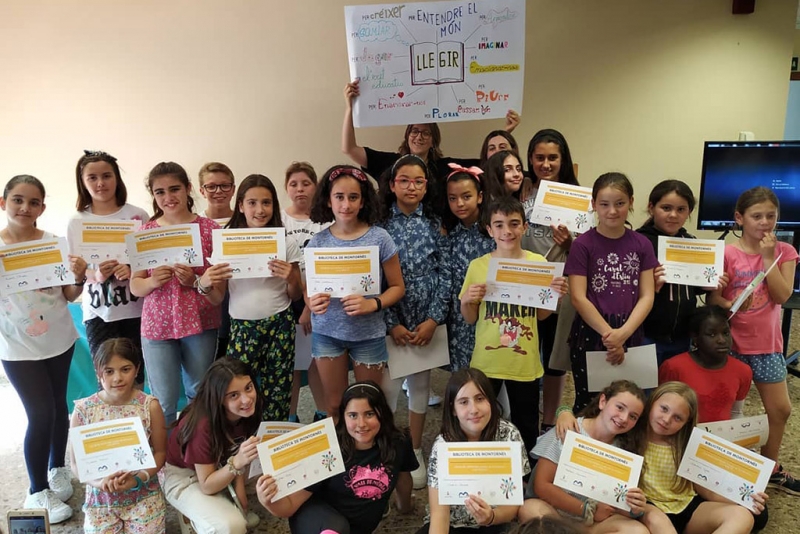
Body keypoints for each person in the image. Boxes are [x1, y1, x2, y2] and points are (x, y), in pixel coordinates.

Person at [0, 175, 87, 522]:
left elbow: (68, 295)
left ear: (42, 208)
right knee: (39, 414)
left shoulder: (55, 243)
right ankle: (36, 491)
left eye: (34, 202)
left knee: (57, 407)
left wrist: (79, 276)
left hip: (59, 339)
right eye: (18, 200)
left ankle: (57, 468)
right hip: (18, 346)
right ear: (3, 202)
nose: (25, 207)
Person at [709, 186, 800, 494]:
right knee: (727, 412)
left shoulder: (784, 252)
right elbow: (714, 300)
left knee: (781, 410)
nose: (764, 222)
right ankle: (724, 467)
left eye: (771, 216)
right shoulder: (726, 253)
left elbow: (782, 295)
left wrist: (767, 256)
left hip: (768, 346)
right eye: (756, 216)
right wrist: (725, 302)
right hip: (730, 346)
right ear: (740, 218)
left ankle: (771, 467)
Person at [461, 196, 567, 454]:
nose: (506, 231)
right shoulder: (478, 266)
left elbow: (541, 317)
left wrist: (555, 296)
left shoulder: (539, 264)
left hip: (524, 362)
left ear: (525, 227)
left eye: (513, 224)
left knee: (526, 423)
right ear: (489, 229)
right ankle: (483, 465)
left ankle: (526, 474)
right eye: (498, 225)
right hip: (487, 361)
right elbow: (470, 318)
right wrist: (467, 300)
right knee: (481, 421)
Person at [130, 162, 228, 424]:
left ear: (188, 189)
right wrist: (152, 283)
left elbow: (218, 296)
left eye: (175, 189)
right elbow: (135, 285)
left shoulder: (210, 230)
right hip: (157, 325)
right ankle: (166, 456)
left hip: (201, 322)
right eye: (160, 192)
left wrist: (197, 281)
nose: (168, 197)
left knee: (198, 392)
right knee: (163, 399)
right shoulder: (146, 233)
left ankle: (197, 451)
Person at [306, 165, 405, 420]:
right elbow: (311, 291)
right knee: (335, 405)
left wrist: (373, 304)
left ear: (363, 201)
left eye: (353, 197)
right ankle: (341, 457)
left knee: (370, 404)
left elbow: (397, 287)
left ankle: (370, 458)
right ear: (328, 200)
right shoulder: (317, 242)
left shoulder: (380, 238)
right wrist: (311, 302)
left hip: (368, 333)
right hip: (327, 332)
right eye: (339, 197)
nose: (346, 204)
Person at [257, 381, 417, 534]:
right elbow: (290, 506)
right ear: (343, 417)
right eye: (353, 415)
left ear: (383, 413)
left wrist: (405, 506)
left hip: (357, 528)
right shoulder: (329, 449)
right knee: (336, 528)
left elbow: (402, 477)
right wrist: (267, 500)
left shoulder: (399, 442)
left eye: (369, 414)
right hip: (319, 521)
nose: (361, 423)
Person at [378, 154, 450, 489]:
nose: (411, 186)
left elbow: (445, 274)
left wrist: (434, 319)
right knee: (389, 390)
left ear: (426, 186)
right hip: (392, 321)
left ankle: (416, 450)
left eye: (418, 181)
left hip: (426, 322)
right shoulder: (379, 227)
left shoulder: (435, 223)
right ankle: (389, 453)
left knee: (420, 386)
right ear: (392, 185)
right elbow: (374, 280)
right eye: (404, 180)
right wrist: (392, 322)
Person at [341, 79, 519, 209]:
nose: (419, 137)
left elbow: (489, 165)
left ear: (434, 140)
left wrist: (504, 135)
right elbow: (349, 149)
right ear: (407, 135)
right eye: (415, 131)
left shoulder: (445, 167)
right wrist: (349, 108)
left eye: (426, 133)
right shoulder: (389, 163)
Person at [419, 368, 554, 534]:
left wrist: (491, 517)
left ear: (491, 400)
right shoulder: (443, 446)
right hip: (453, 524)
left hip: (497, 521)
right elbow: (440, 516)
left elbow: (512, 502)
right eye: (463, 402)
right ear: (453, 409)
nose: (474, 409)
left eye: (480, 398)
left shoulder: (509, 434)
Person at [565, 172, 657, 412]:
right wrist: (610, 336)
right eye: (604, 205)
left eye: (620, 204)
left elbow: (647, 295)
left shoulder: (641, 244)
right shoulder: (583, 244)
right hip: (591, 332)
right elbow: (578, 296)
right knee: (590, 404)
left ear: (631, 202)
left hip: (631, 331)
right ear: (593, 205)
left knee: (628, 404)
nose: (612, 211)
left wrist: (623, 334)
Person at [621, 381, 766, 534]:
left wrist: (744, 499)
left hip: (688, 506)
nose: (666, 419)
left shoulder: (689, 444)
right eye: (664, 409)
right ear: (652, 402)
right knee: (658, 522)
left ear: (686, 423)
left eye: (677, 418)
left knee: (742, 516)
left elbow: (705, 489)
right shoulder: (630, 436)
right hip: (649, 508)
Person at [220, 174, 302, 421]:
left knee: (278, 390)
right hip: (242, 326)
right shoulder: (227, 240)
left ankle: (272, 442)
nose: (259, 210)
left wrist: (291, 278)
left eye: (266, 203)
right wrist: (207, 280)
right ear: (241, 205)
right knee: (238, 392)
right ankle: (243, 446)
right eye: (252, 203)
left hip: (280, 324)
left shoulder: (286, 240)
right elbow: (218, 295)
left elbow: (296, 293)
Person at [69, 338, 167, 533]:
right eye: (109, 371)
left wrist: (137, 479)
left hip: (143, 496)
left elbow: (161, 453)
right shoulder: (83, 411)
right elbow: (75, 463)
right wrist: (99, 483)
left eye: (125, 369)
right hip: (100, 501)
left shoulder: (149, 406)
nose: (117, 378)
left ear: (137, 369)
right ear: (98, 372)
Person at [528, 381, 652, 533]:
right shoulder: (568, 429)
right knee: (531, 509)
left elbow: (618, 505)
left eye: (633, 416)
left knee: (637, 531)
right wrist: (586, 509)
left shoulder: (626, 451)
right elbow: (541, 485)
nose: (624, 418)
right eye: (619, 408)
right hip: (554, 514)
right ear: (603, 402)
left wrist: (634, 508)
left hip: (594, 523)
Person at [67, 150, 149, 378]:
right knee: (107, 379)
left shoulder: (138, 215)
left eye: (106, 176)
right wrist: (98, 275)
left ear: (117, 178)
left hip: (137, 310)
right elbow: (77, 269)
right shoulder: (77, 221)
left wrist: (132, 270)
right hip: (99, 312)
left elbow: (151, 259)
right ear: (83, 182)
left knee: (136, 376)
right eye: (92, 178)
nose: (100, 183)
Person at [162, 358, 262, 534]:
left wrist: (242, 501)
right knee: (231, 526)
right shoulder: (202, 426)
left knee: (278, 464)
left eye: (248, 387)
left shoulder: (248, 410)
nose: (247, 400)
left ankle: (224, 506)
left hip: (222, 462)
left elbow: (238, 450)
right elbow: (207, 485)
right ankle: (199, 520)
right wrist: (237, 463)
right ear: (218, 398)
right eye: (234, 395)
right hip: (185, 475)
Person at [521, 129, 579, 433]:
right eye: (539, 157)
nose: (546, 163)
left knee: (556, 358)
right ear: (530, 159)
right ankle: (527, 420)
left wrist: (571, 243)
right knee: (528, 354)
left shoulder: (577, 198)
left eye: (552, 157)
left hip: (562, 291)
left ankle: (549, 422)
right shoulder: (522, 192)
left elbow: (589, 248)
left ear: (563, 160)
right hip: (526, 287)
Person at [637, 180, 727, 365]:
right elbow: (623, 289)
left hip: (682, 336)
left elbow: (691, 287)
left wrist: (708, 284)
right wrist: (648, 285)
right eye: (666, 208)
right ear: (651, 207)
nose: (673, 215)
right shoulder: (638, 242)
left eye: (681, 209)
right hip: (646, 334)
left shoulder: (691, 242)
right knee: (644, 391)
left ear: (689, 212)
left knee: (674, 388)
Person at [282, 161, 328, 423]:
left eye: (306, 183)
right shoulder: (279, 219)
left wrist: (310, 307)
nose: (300, 189)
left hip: (317, 301)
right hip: (286, 299)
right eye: (293, 184)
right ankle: (290, 418)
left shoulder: (327, 219)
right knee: (291, 362)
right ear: (287, 188)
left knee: (313, 360)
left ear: (315, 186)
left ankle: (322, 414)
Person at [443, 165, 497, 372]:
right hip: (459, 315)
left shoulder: (492, 233)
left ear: (480, 197)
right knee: (463, 371)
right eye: (453, 198)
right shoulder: (451, 234)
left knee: (491, 370)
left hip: (490, 312)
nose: (460, 204)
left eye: (466, 196)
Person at [658, 305, 752, 423]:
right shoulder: (673, 367)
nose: (721, 340)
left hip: (722, 437)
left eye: (726, 333)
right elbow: (661, 411)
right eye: (712, 335)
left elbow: (736, 412)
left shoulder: (743, 371)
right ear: (695, 337)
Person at [197, 162, 236, 358]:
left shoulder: (246, 223)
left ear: (233, 189)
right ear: (201, 191)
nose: (218, 191)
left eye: (224, 185)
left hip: (241, 303)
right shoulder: (194, 227)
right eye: (211, 186)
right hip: (209, 305)